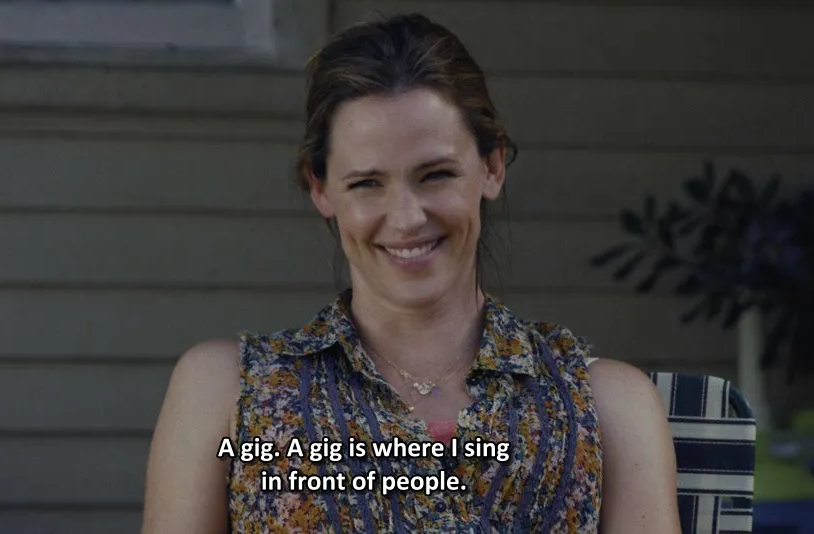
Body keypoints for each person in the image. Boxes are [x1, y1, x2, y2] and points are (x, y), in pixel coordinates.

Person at [142, 13, 679, 533]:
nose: (405, 219)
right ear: (321, 188)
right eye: (366, 184)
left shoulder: (607, 405)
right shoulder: (227, 391)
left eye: (436, 174)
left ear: (492, 167)